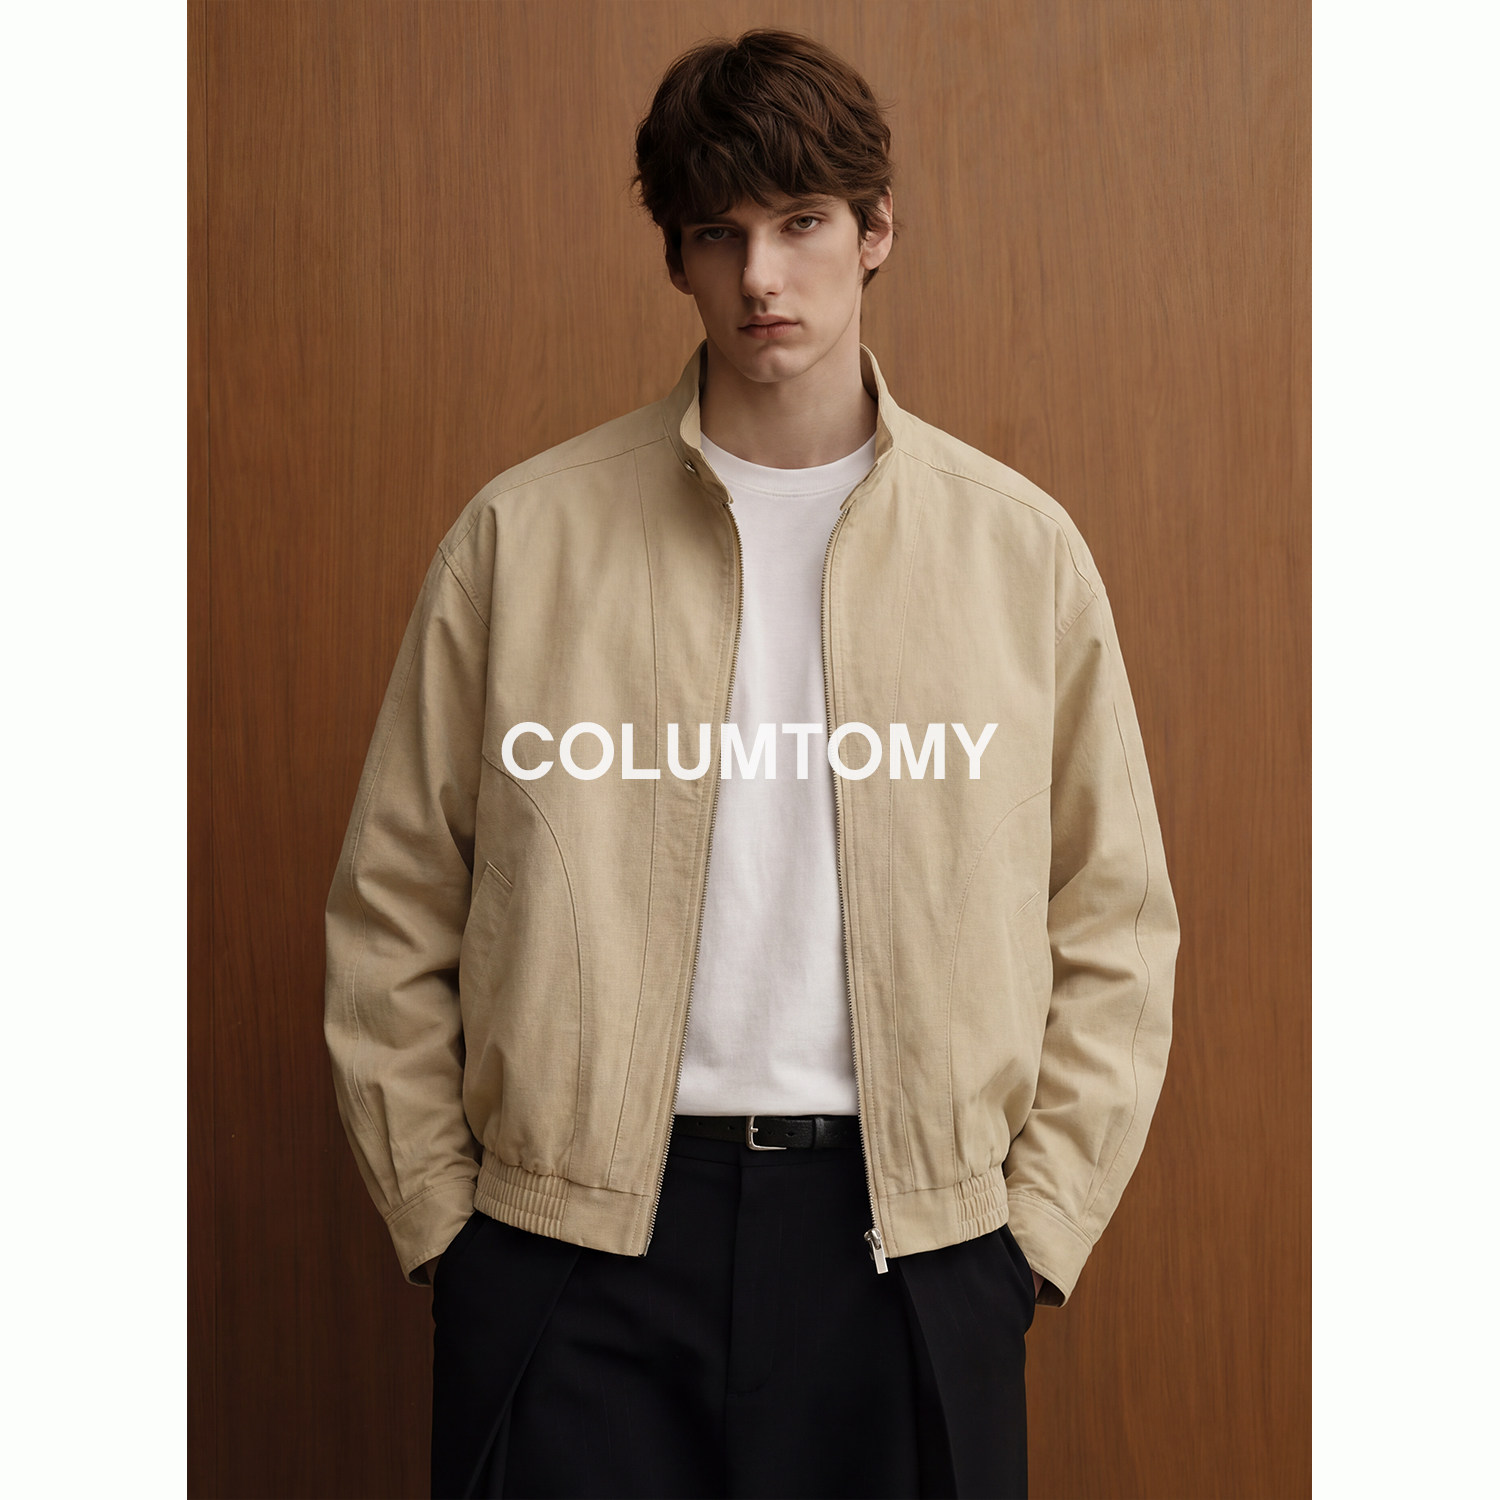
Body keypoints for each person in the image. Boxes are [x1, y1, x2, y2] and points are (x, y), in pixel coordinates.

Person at [323, 27, 1179, 1500]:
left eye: (802, 223)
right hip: (573, 1250)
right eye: (719, 235)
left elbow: (1115, 917)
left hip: (912, 1249)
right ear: (678, 257)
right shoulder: (522, 541)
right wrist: (451, 1228)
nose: (762, 277)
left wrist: (1030, 1234)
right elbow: (390, 906)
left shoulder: (1017, 553)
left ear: (877, 230)